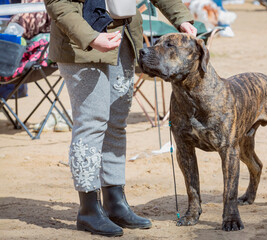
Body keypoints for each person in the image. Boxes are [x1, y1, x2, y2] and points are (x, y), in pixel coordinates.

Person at [44, 0, 197, 237]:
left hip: (123, 40)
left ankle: (115, 203)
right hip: (80, 43)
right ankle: (88, 209)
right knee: (91, 123)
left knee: (116, 124)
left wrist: (182, 18)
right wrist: (92, 38)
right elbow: (59, 3)